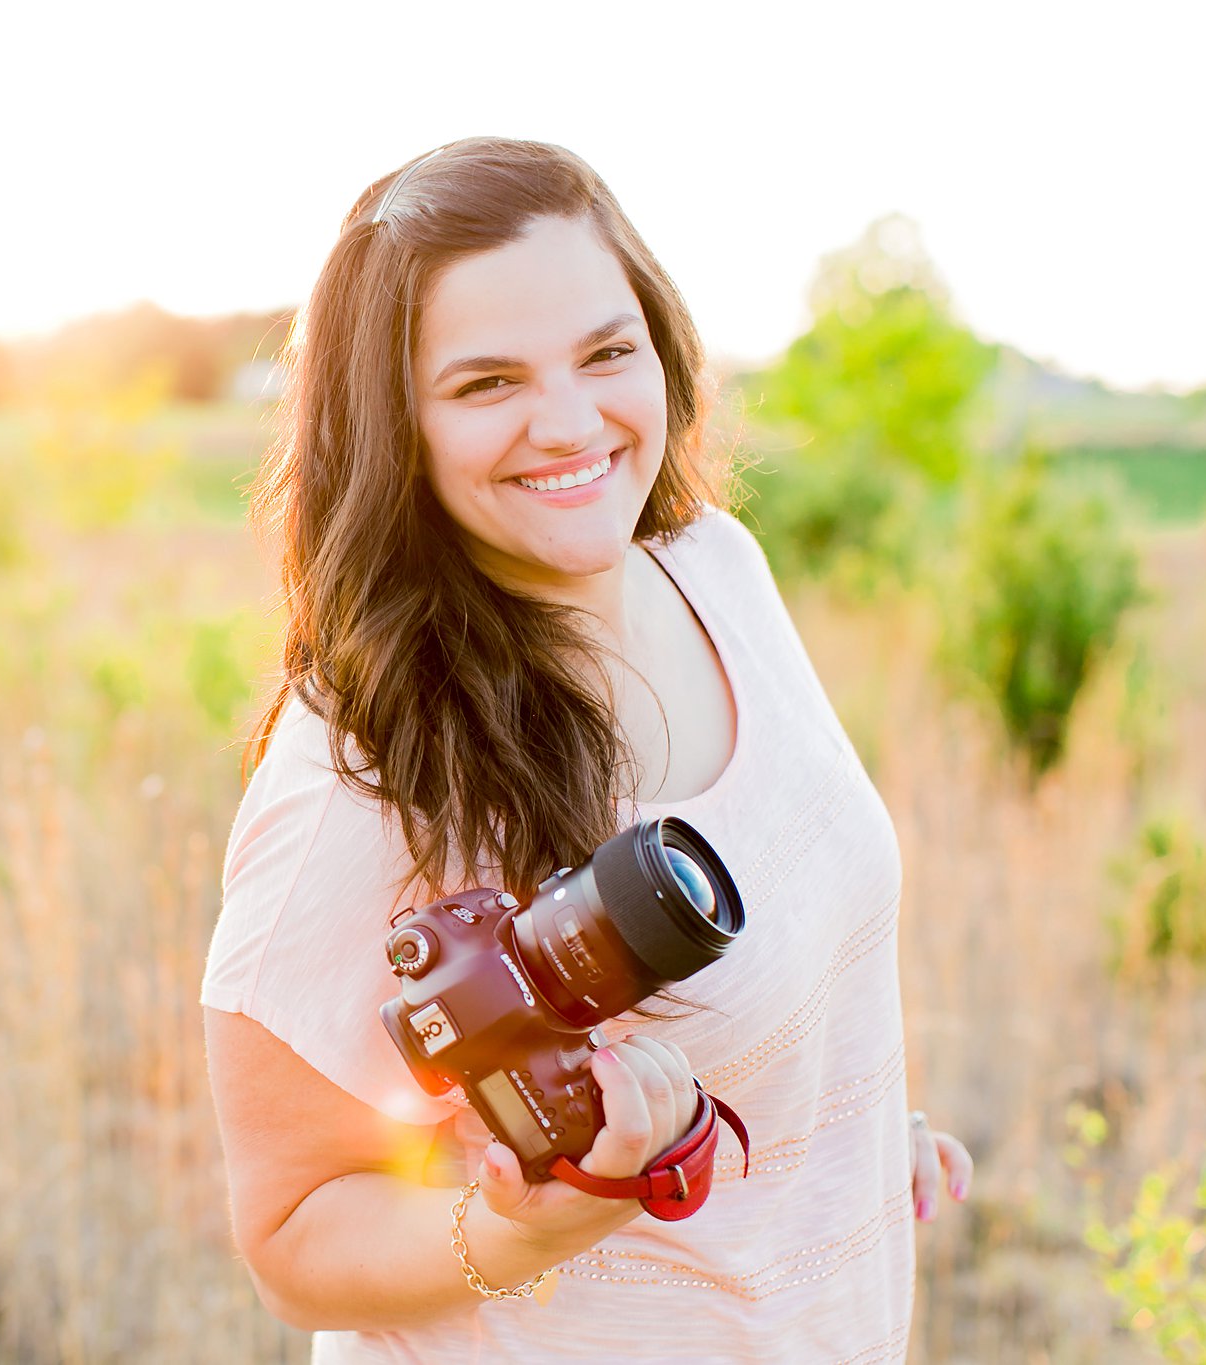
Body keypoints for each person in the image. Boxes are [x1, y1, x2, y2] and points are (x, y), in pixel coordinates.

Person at [201, 138, 975, 1363]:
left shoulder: (716, 569)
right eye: (484, 383)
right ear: (390, 422)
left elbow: (795, 922)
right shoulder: (356, 767)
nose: (569, 423)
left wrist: (836, 1122)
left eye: (606, 353)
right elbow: (292, 1236)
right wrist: (526, 1233)